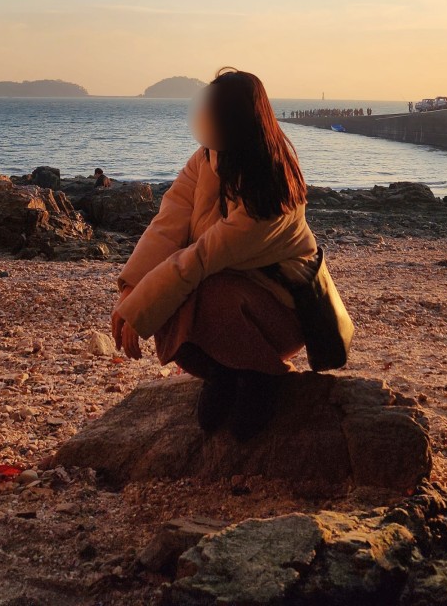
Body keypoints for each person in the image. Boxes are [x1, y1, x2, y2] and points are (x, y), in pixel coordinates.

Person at [110, 68, 318, 440]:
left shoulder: (269, 192)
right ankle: (226, 373)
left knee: (194, 295)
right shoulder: (208, 157)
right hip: (234, 296)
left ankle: (262, 375)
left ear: (234, 119)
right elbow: (168, 223)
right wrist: (131, 288)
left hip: (282, 313)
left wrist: (139, 309)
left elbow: (200, 258)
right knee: (172, 300)